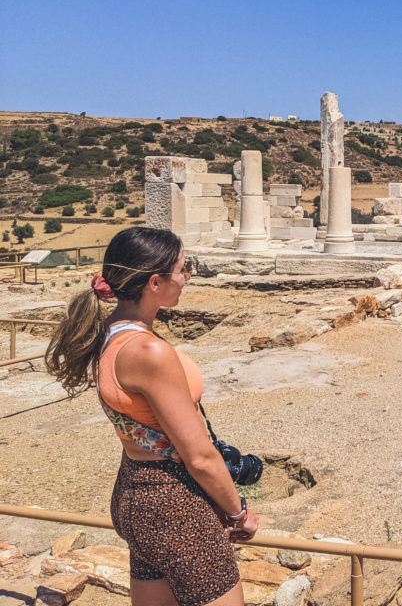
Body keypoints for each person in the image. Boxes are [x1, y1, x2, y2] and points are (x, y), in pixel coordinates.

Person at [46, 228, 259, 606]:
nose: (187, 277)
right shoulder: (148, 351)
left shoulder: (109, 333)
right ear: (155, 281)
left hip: (135, 493)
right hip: (174, 503)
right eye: (183, 268)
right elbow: (200, 457)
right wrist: (237, 511)